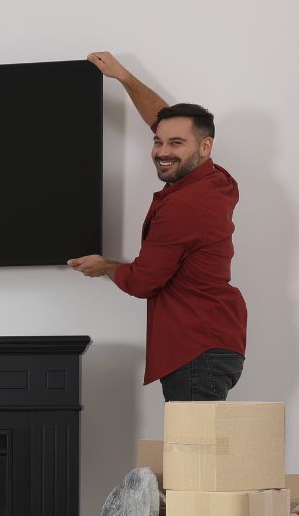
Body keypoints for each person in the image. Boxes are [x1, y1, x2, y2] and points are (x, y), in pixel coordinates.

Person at [68, 52, 246, 401]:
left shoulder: (184, 207)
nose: (162, 151)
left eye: (175, 144)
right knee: (197, 454)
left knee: (194, 456)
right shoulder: (215, 181)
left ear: (205, 146)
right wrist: (124, 77)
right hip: (215, 343)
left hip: (196, 350)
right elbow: (168, 122)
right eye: (158, 141)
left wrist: (105, 266)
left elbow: (143, 281)